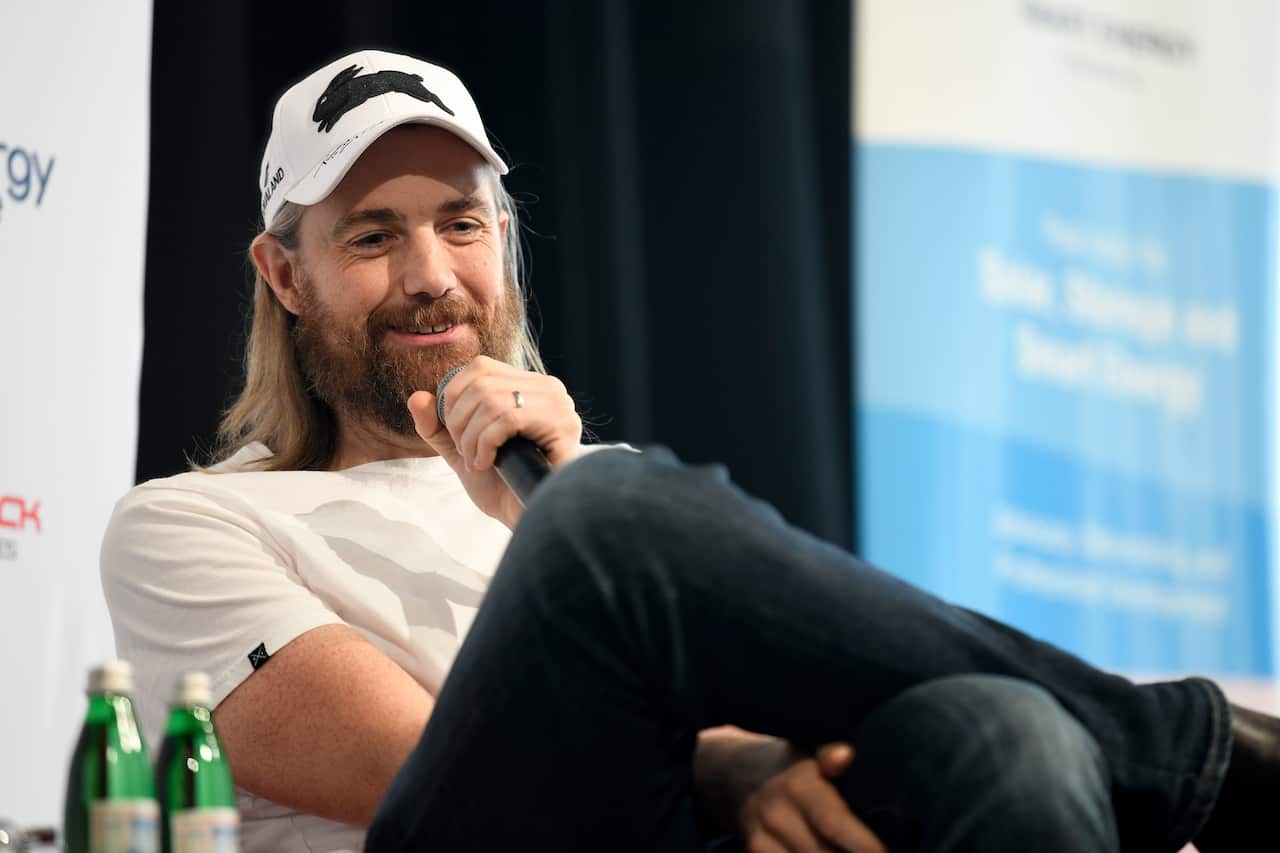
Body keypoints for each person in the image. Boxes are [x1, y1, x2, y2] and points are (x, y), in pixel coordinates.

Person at [100, 49, 1278, 853]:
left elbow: (748, 713)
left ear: (500, 239)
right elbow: (406, 770)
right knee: (613, 519)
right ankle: (1198, 758)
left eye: (461, 224)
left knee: (1005, 738)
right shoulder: (188, 524)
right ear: (283, 274)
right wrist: (724, 760)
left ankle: (1147, 751)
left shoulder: (582, 485)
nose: (430, 275)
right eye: (371, 236)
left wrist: (552, 497)